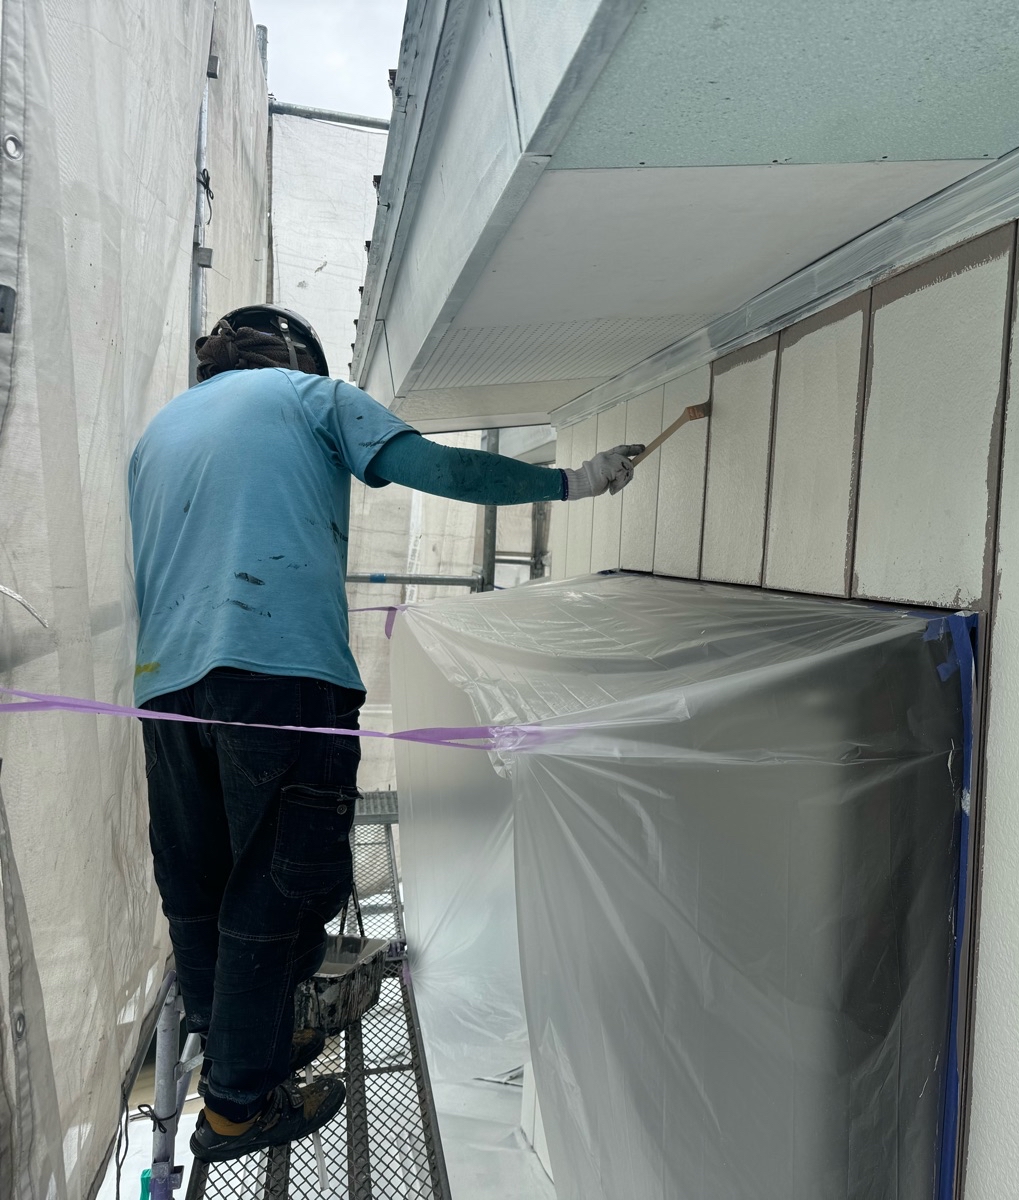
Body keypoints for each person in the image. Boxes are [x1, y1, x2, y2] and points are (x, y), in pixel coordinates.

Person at [128, 305, 641, 1162]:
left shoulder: (161, 431)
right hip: (280, 673)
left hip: (165, 692)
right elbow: (439, 468)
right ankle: (239, 1106)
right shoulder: (309, 398)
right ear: (297, 358)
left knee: (202, 891)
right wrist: (573, 482)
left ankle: (244, 1052)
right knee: (284, 886)